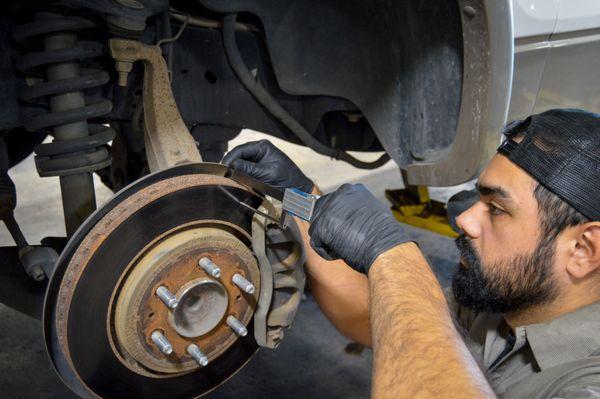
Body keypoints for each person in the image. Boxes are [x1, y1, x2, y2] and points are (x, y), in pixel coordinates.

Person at [222, 108, 600, 398]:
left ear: (583, 249)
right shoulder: (506, 298)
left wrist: (394, 253)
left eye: (497, 209)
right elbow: (384, 321)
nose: (464, 219)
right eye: (479, 199)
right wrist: (301, 197)